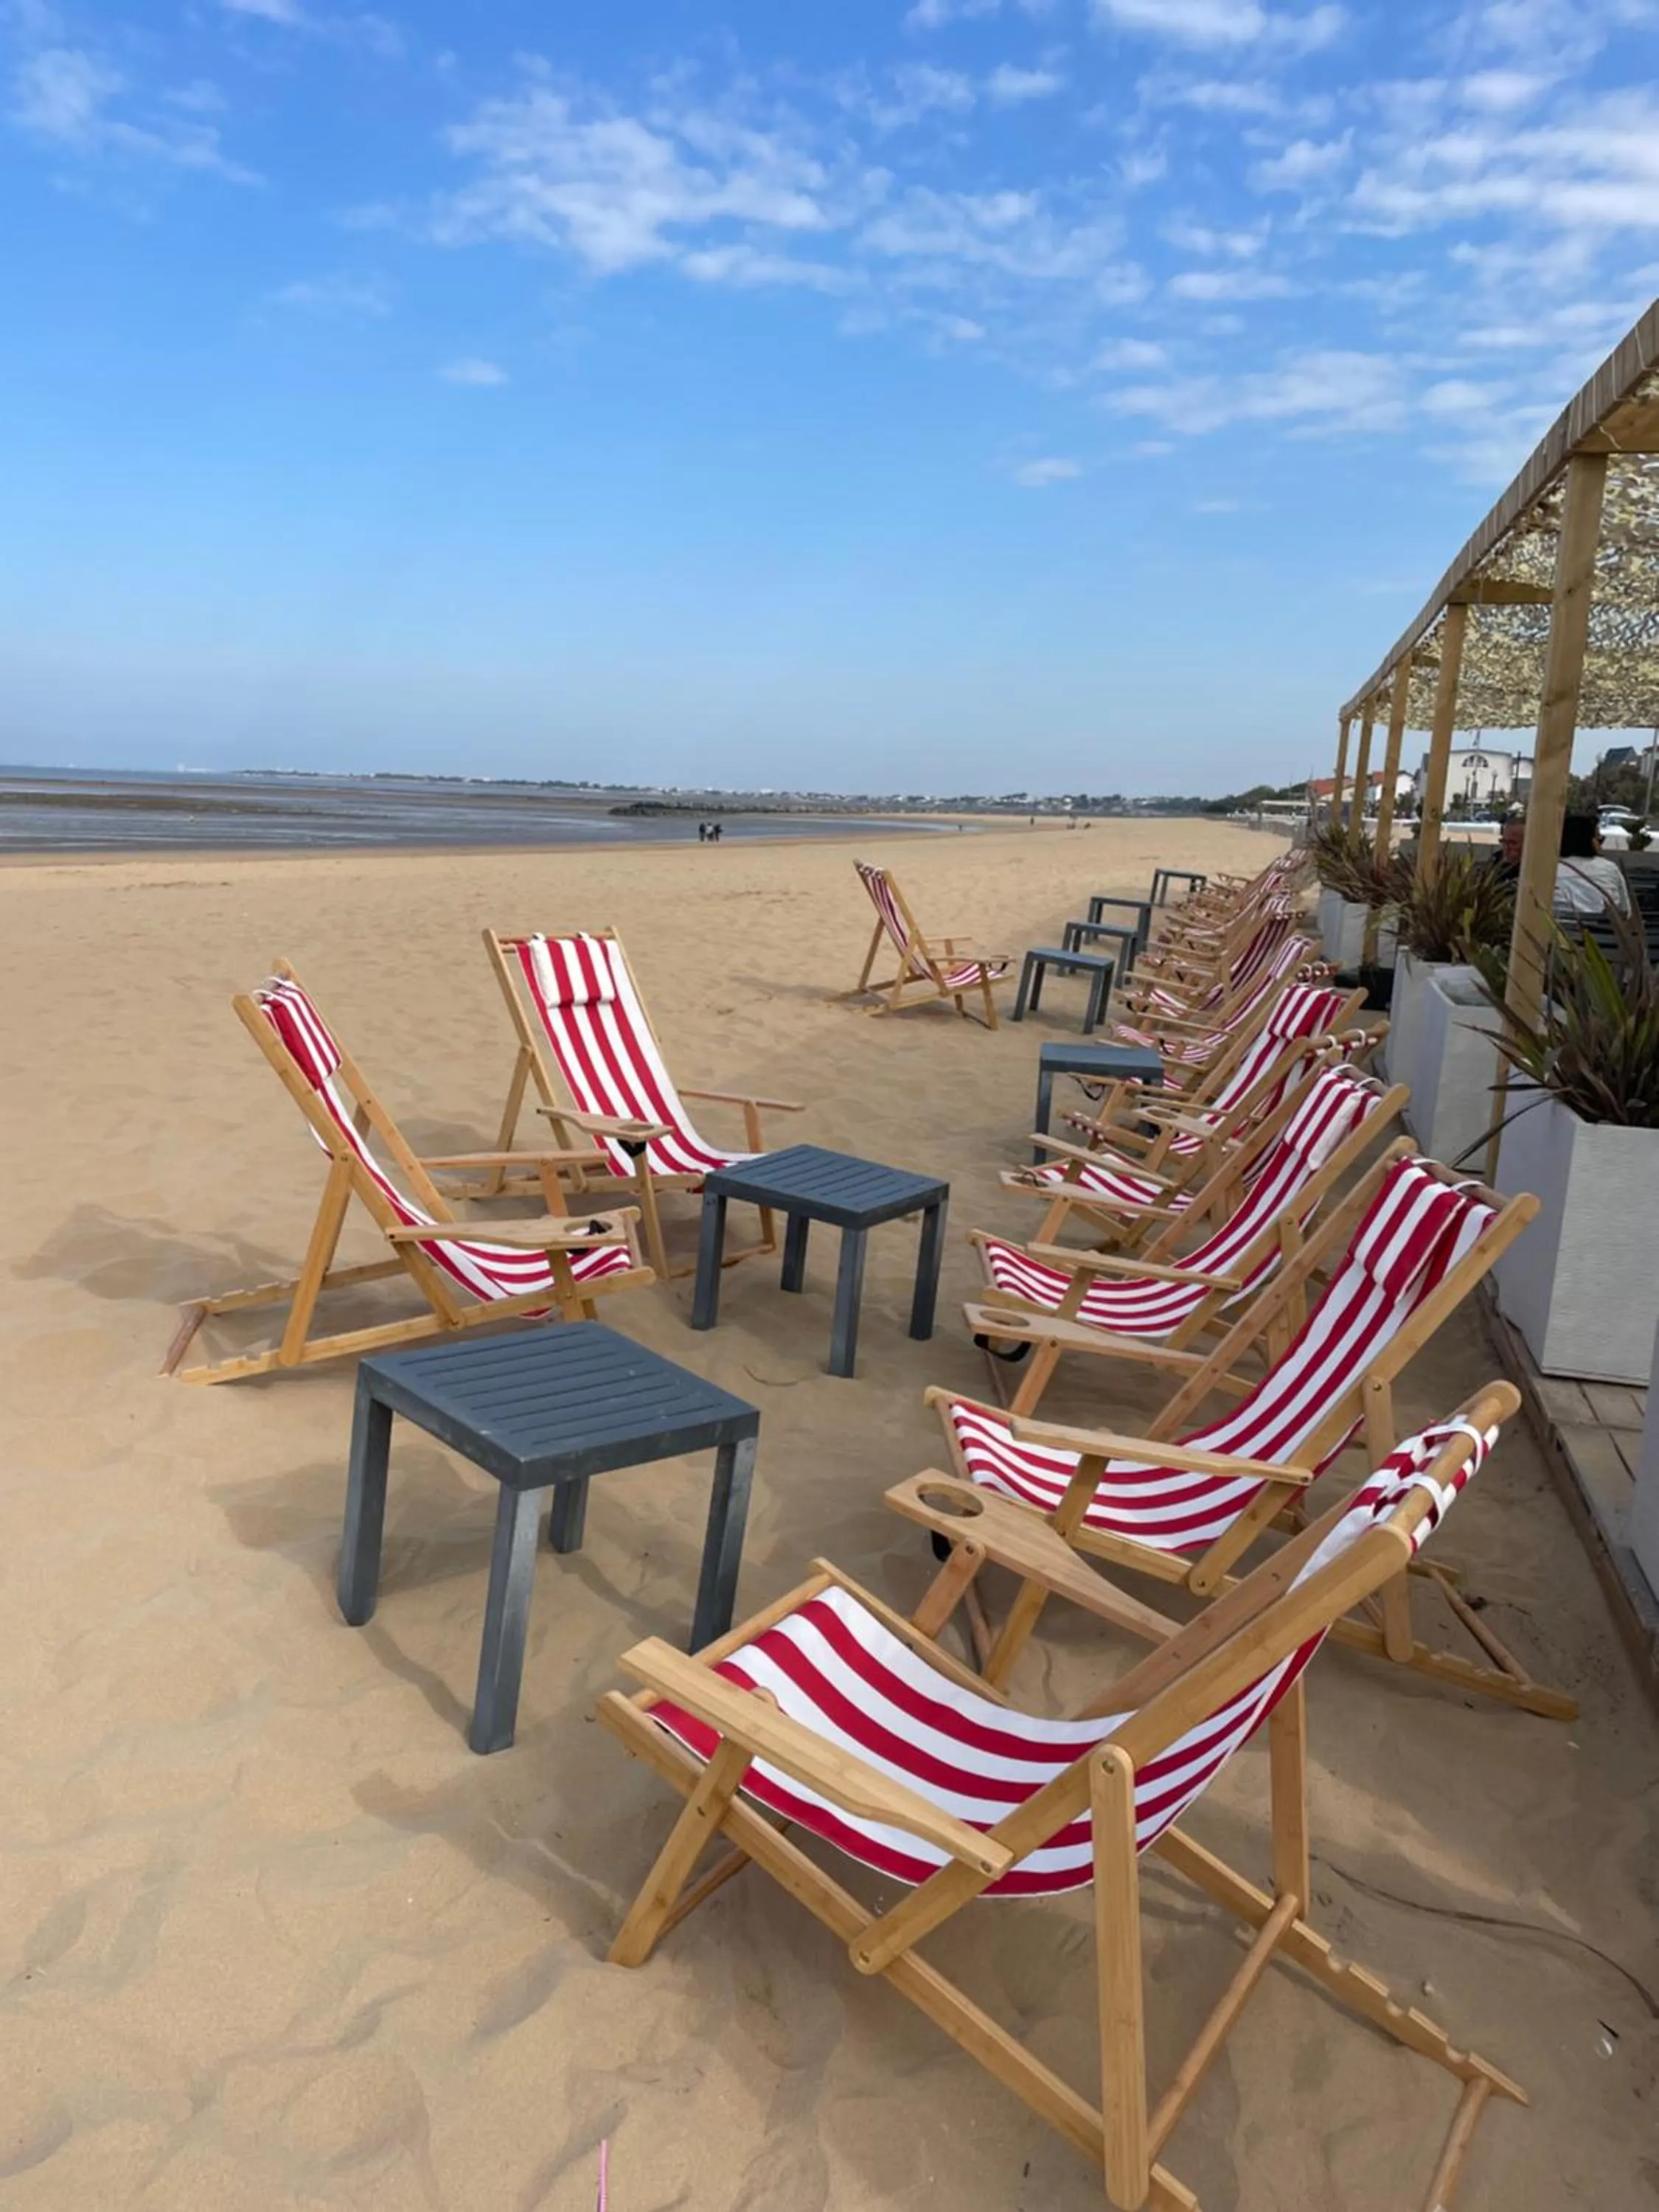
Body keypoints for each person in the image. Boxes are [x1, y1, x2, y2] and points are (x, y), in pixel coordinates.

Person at [1552, 812, 1630, 918]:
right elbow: (1625, 911)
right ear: (1591, 841)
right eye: (1600, 839)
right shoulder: (1610, 869)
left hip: (1559, 931)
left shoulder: (1550, 870)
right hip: (1604, 932)